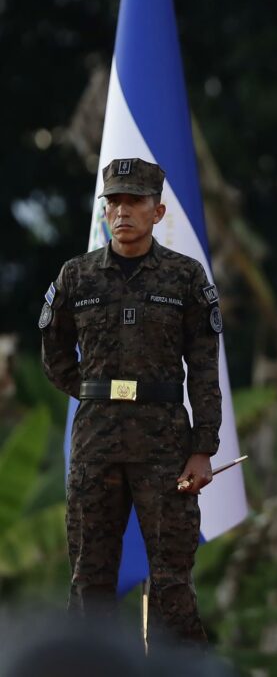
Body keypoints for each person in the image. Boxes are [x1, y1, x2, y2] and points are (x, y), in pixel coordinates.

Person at [40, 158, 222, 644]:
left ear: (157, 211)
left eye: (134, 202)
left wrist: (204, 446)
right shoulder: (76, 277)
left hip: (165, 448)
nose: (122, 212)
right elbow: (54, 351)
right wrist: (90, 391)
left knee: (172, 583)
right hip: (95, 446)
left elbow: (204, 366)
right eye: (114, 202)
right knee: (88, 580)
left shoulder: (185, 278)